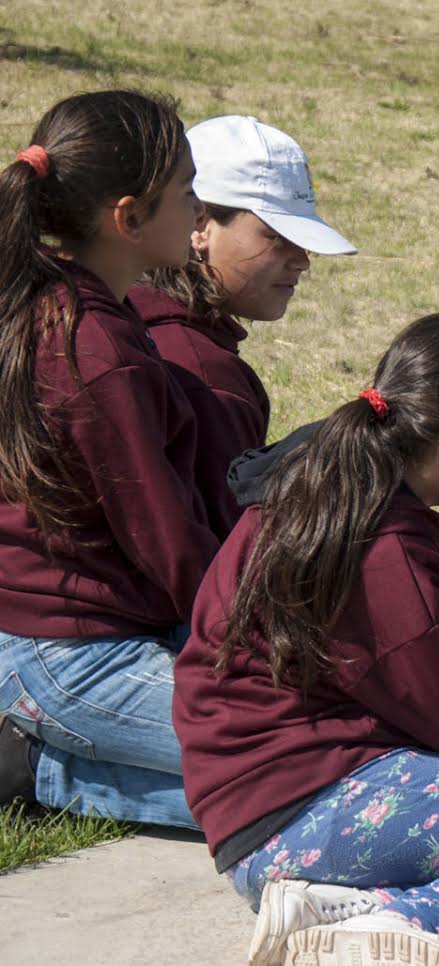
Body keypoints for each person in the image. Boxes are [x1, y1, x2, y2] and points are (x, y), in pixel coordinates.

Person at [172, 313, 439, 966]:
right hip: (299, 819)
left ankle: (332, 910)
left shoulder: (330, 495)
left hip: (276, 814)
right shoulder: (384, 558)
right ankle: (399, 924)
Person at [0, 90, 216, 827]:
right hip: (73, 654)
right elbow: (169, 543)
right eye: (188, 193)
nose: (199, 210)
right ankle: (36, 763)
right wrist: (246, 648)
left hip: (75, 631)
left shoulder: (54, 303)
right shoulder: (94, 353)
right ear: (128, 217)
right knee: (277, 767)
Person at [134, 115, 355, 535]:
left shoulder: (129, 311)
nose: (303, 259)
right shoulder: (207, 378)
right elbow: (232, 551)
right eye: (275, 235)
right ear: (200, 223)